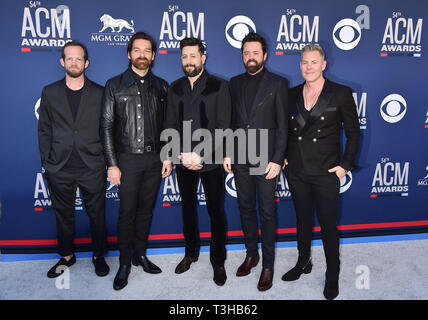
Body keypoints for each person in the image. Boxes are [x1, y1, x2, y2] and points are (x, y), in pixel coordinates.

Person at [282, 44, 360, 300]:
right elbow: (284, 130)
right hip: (296, 171)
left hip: (326, 172)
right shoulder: (291, 94)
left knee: (328, 226)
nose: (308, 66)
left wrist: (345, 166)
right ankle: (303, 263)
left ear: (324, 64)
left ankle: (332, 274)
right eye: (304, 62)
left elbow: (353, 133)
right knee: (302, 221)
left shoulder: (340, 93)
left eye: (314, 62)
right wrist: (282, 157)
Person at [101, 32, 171, 290]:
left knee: (145, 211)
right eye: (137, 50)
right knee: (127, 212)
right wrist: (112, 163)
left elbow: (168, 125)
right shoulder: (114, 85)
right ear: (129, 54)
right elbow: (106, 126)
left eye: (147, 50)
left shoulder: (163, 86)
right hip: (126, 159)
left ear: (153, 55)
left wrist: (167, 157)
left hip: (155, 160)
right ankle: (124, 262)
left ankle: (140, 255)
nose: (142, 55)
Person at [38, 41, 109, 279]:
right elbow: (44, 130)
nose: (74, 62)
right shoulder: (50, 92)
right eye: (69, 58)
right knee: (63, 214)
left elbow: (107, 129)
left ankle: (99, 255)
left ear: (86, 63)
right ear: (62, 62)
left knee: (97, 214)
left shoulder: (100, 93)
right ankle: (67, 256)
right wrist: (47, 162)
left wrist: (109, 162)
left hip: (93, 165)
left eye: (79, 59)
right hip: (60, 166)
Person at [163, 37, 231, 286]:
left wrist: (200, 154)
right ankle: (191, 253)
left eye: (193, 56)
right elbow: (169, 124)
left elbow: (224, 126)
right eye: (184, 56)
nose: (189, 61)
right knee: (188, 209)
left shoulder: (219, 86)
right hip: (182, 161)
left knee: (215, 211)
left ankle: (218, 260)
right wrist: (177, 155)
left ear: (203, 57)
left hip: (210, 161)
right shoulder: (175, 87)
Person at [224, 32, 289, 291]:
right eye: (246, 53)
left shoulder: (278, 83)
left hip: (266, 159)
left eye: (255, 52)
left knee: (267, 212)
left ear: (264, 55)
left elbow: (284, 126)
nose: (250, 57)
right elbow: (231, 121)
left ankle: (268, 265)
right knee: (245, 208)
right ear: (242, 56)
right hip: (240, 156)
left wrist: (278, 159)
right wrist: (227, 151)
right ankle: (252, 254)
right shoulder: (234, 82)